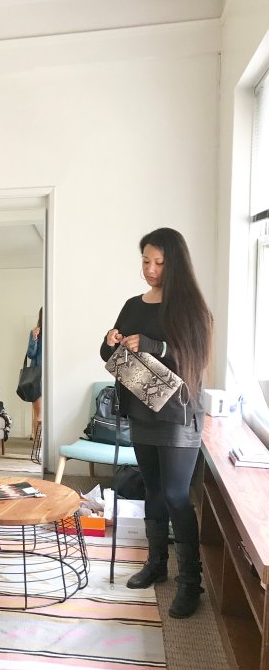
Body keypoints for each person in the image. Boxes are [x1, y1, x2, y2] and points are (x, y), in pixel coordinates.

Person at [100, 228, 212, 618]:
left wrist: (152, 346)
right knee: (152, 489)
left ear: (174, 263)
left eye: (159, 262)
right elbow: (110, 356)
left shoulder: (190, 307)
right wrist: (111, 340)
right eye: (146, 261)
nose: (150, 269)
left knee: (177, 494)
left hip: (177, 415)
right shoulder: (133, 305)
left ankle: (191, 583)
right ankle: (156, 564)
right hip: (142, 411)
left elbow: (193, 354)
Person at [26, 307, 43, 439]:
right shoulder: (36, 332)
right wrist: (35, 338)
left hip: (53, 377)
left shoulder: (57, 331)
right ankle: (38, 444)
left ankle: (45, 442)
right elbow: (30, 354)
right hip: (37, 376)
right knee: (39, 413)